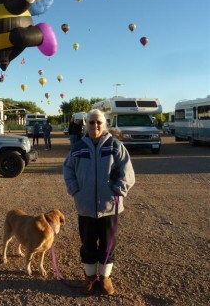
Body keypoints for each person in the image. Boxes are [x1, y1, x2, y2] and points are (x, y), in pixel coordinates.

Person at [63, 109, 135, 296]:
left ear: (105, 125)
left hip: (109, 207)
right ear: (86, 125)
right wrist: (74, 190)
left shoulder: (115, 145)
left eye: (99, 122)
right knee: (87, 244)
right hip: (85, 206)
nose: (95, 125)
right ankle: (89, 278)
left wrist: (118, 189)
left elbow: (127, 172)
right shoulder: (78, 147)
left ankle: (104, 278)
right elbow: (68, 169)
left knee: (107, 244)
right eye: (92, 122)